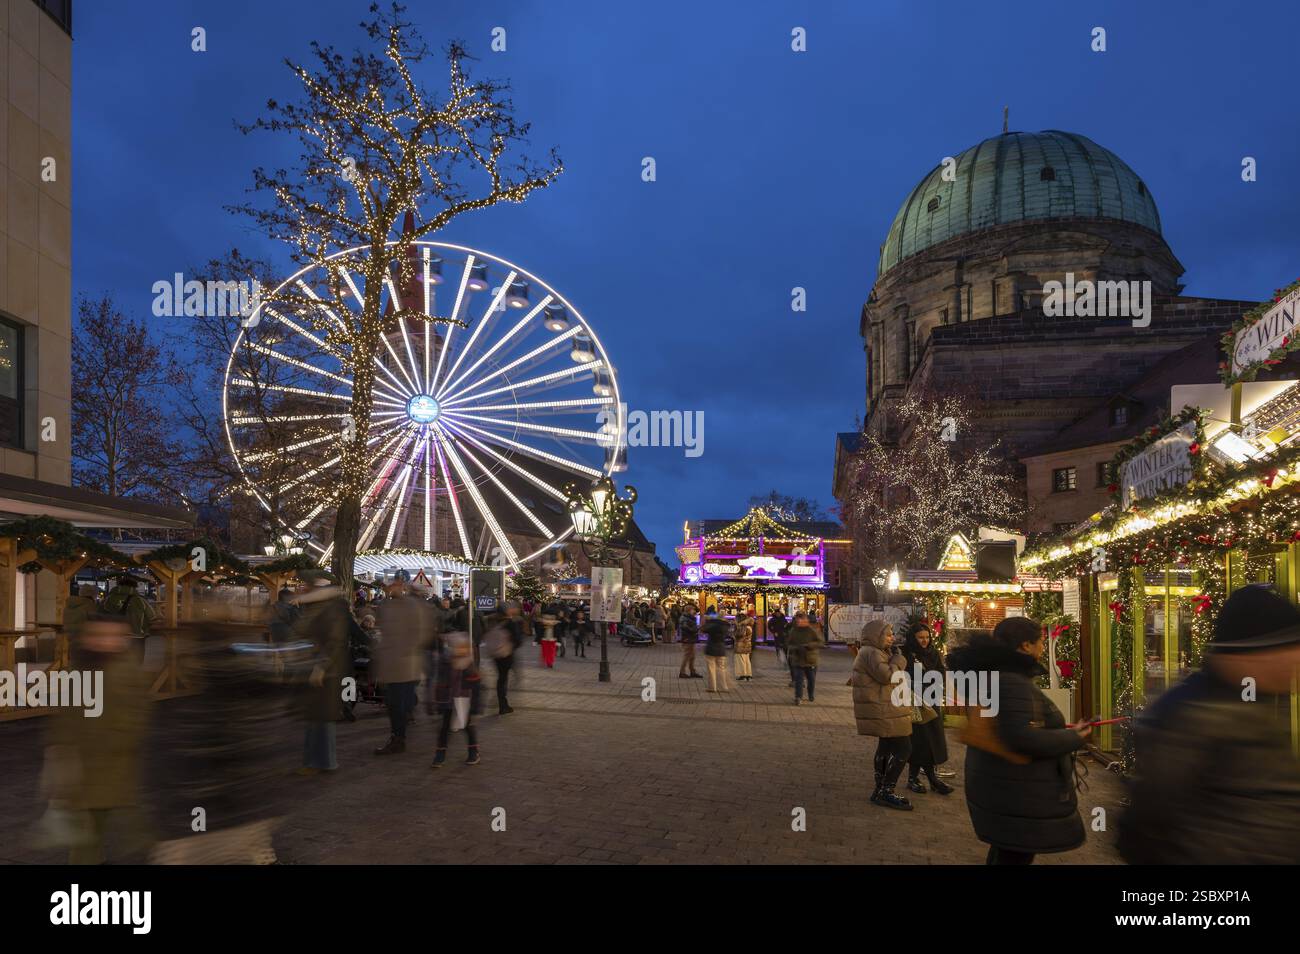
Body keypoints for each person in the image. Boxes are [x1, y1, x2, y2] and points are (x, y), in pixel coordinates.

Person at [1117, 585, 1300, 864]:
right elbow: (1148, 823)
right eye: (1289, 647)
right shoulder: (1194, 714)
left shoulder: (1255, 703)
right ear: (1258, 650)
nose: (1295, 660)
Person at [947, 617, 1091, 863]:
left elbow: (1010, 725)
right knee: (1013, 855)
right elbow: (1021, 738)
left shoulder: (996, 675)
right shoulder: (1011, 680)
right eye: (1041, 642)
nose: (1043, 648)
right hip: (1018, 791)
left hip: (1004, 785)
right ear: (1025, 645)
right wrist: (1073, 737)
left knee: (1005, 852)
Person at [42, 614, 152, 864]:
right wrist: (58, 750)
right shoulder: (80, 669)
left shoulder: (127, 672)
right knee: (86, 837)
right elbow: (66, 717)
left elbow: (137, 716)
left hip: (111, 767)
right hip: (79, 769)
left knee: (94, 832)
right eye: (98, 636)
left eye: (113, 637)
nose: (105, 642)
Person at [291, 572, 353, 775]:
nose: (303, 588)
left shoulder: (330, 609)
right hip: (315, 666)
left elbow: (334, 641)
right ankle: (313, 761)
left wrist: (321, 667)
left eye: (306, 586)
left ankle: (323, 762)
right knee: (314, 717)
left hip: (326, 671)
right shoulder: (314, 607)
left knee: (322, 718)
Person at [851, 620, 913, 810]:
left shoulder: (873, 651)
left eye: (892, 634)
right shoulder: (871, 652)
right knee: (904, 748)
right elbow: (887, 676)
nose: (892, 637)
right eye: (888, 634)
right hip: (883, 708)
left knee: (886, 746)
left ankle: (880, 789)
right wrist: (899, 661)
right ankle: (886, 790)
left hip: (884, 706)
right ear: (876, 635)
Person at [372, 581, 432, 755]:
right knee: (397, 702)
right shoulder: (392, 605)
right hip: (399, 663)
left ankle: (398, 738)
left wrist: (406, 650)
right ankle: (399, 734)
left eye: (395, 586)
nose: (392, 588)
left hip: (402, 664)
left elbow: (421, 633)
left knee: (396, 703)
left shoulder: (410, 606)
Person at [902, 624, 954, 795]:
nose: (924, 640)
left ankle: (930, 779)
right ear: (913, 638)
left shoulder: (932, 653)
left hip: (932, 702)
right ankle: (917, 778)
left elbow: (940, 672)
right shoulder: (907, 654)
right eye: (920, 637)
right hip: (916, 703)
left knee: (933, 741)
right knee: (919, 741)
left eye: (927, 637)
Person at [431, 631, 482, 767]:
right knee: (444, 728)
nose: (461, 649)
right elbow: (438, 683)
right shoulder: (446, 663)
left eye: (464, 647)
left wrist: (475, 707)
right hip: (447, 701)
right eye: (458, 647)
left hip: (465, 701)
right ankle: (440, 754)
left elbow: (477, 689)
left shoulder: (470, 665)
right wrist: (437, 701)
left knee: (468, 726)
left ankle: (473, 751)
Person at [102, 574, 155, 661]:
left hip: (113, 636)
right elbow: (152, 616)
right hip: (136, 636)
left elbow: (100, 615)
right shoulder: (140, 600)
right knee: (136, 662)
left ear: (119, 586)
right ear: (134, 587)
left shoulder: (108, 599)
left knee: (113, 663)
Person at [786, 611, 823, 704]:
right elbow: (789, 644)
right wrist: (795, 648)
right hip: (798, 659)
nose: (799, 622)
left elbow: (821, 642)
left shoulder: (812, 630)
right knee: (799, 680)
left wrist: (809, 645)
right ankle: (798, 697)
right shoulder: (793, 631)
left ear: (806, 620)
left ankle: (811, 694)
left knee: (811, 680)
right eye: (798, 620)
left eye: (801, 620)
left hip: (810, 660)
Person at [702, 608, 730, 693]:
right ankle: (723, 687)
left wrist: (709, 620)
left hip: (711, 647)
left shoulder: (712, 625)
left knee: (711, 669)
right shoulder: (725, 626)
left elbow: (704, 629)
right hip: (721, 648)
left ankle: (712, 687)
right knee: (721, 669)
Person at [678, 611, 701, 678]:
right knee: (687, 655)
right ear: (689, 610)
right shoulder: (685, 618)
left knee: (692, 656)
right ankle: (682, 672)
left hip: (691, 638)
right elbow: (686, 628)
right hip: (688, 639)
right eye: (693, 610)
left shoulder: (690, 618)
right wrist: (695, 629)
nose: (695, 611)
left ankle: (692, 671)